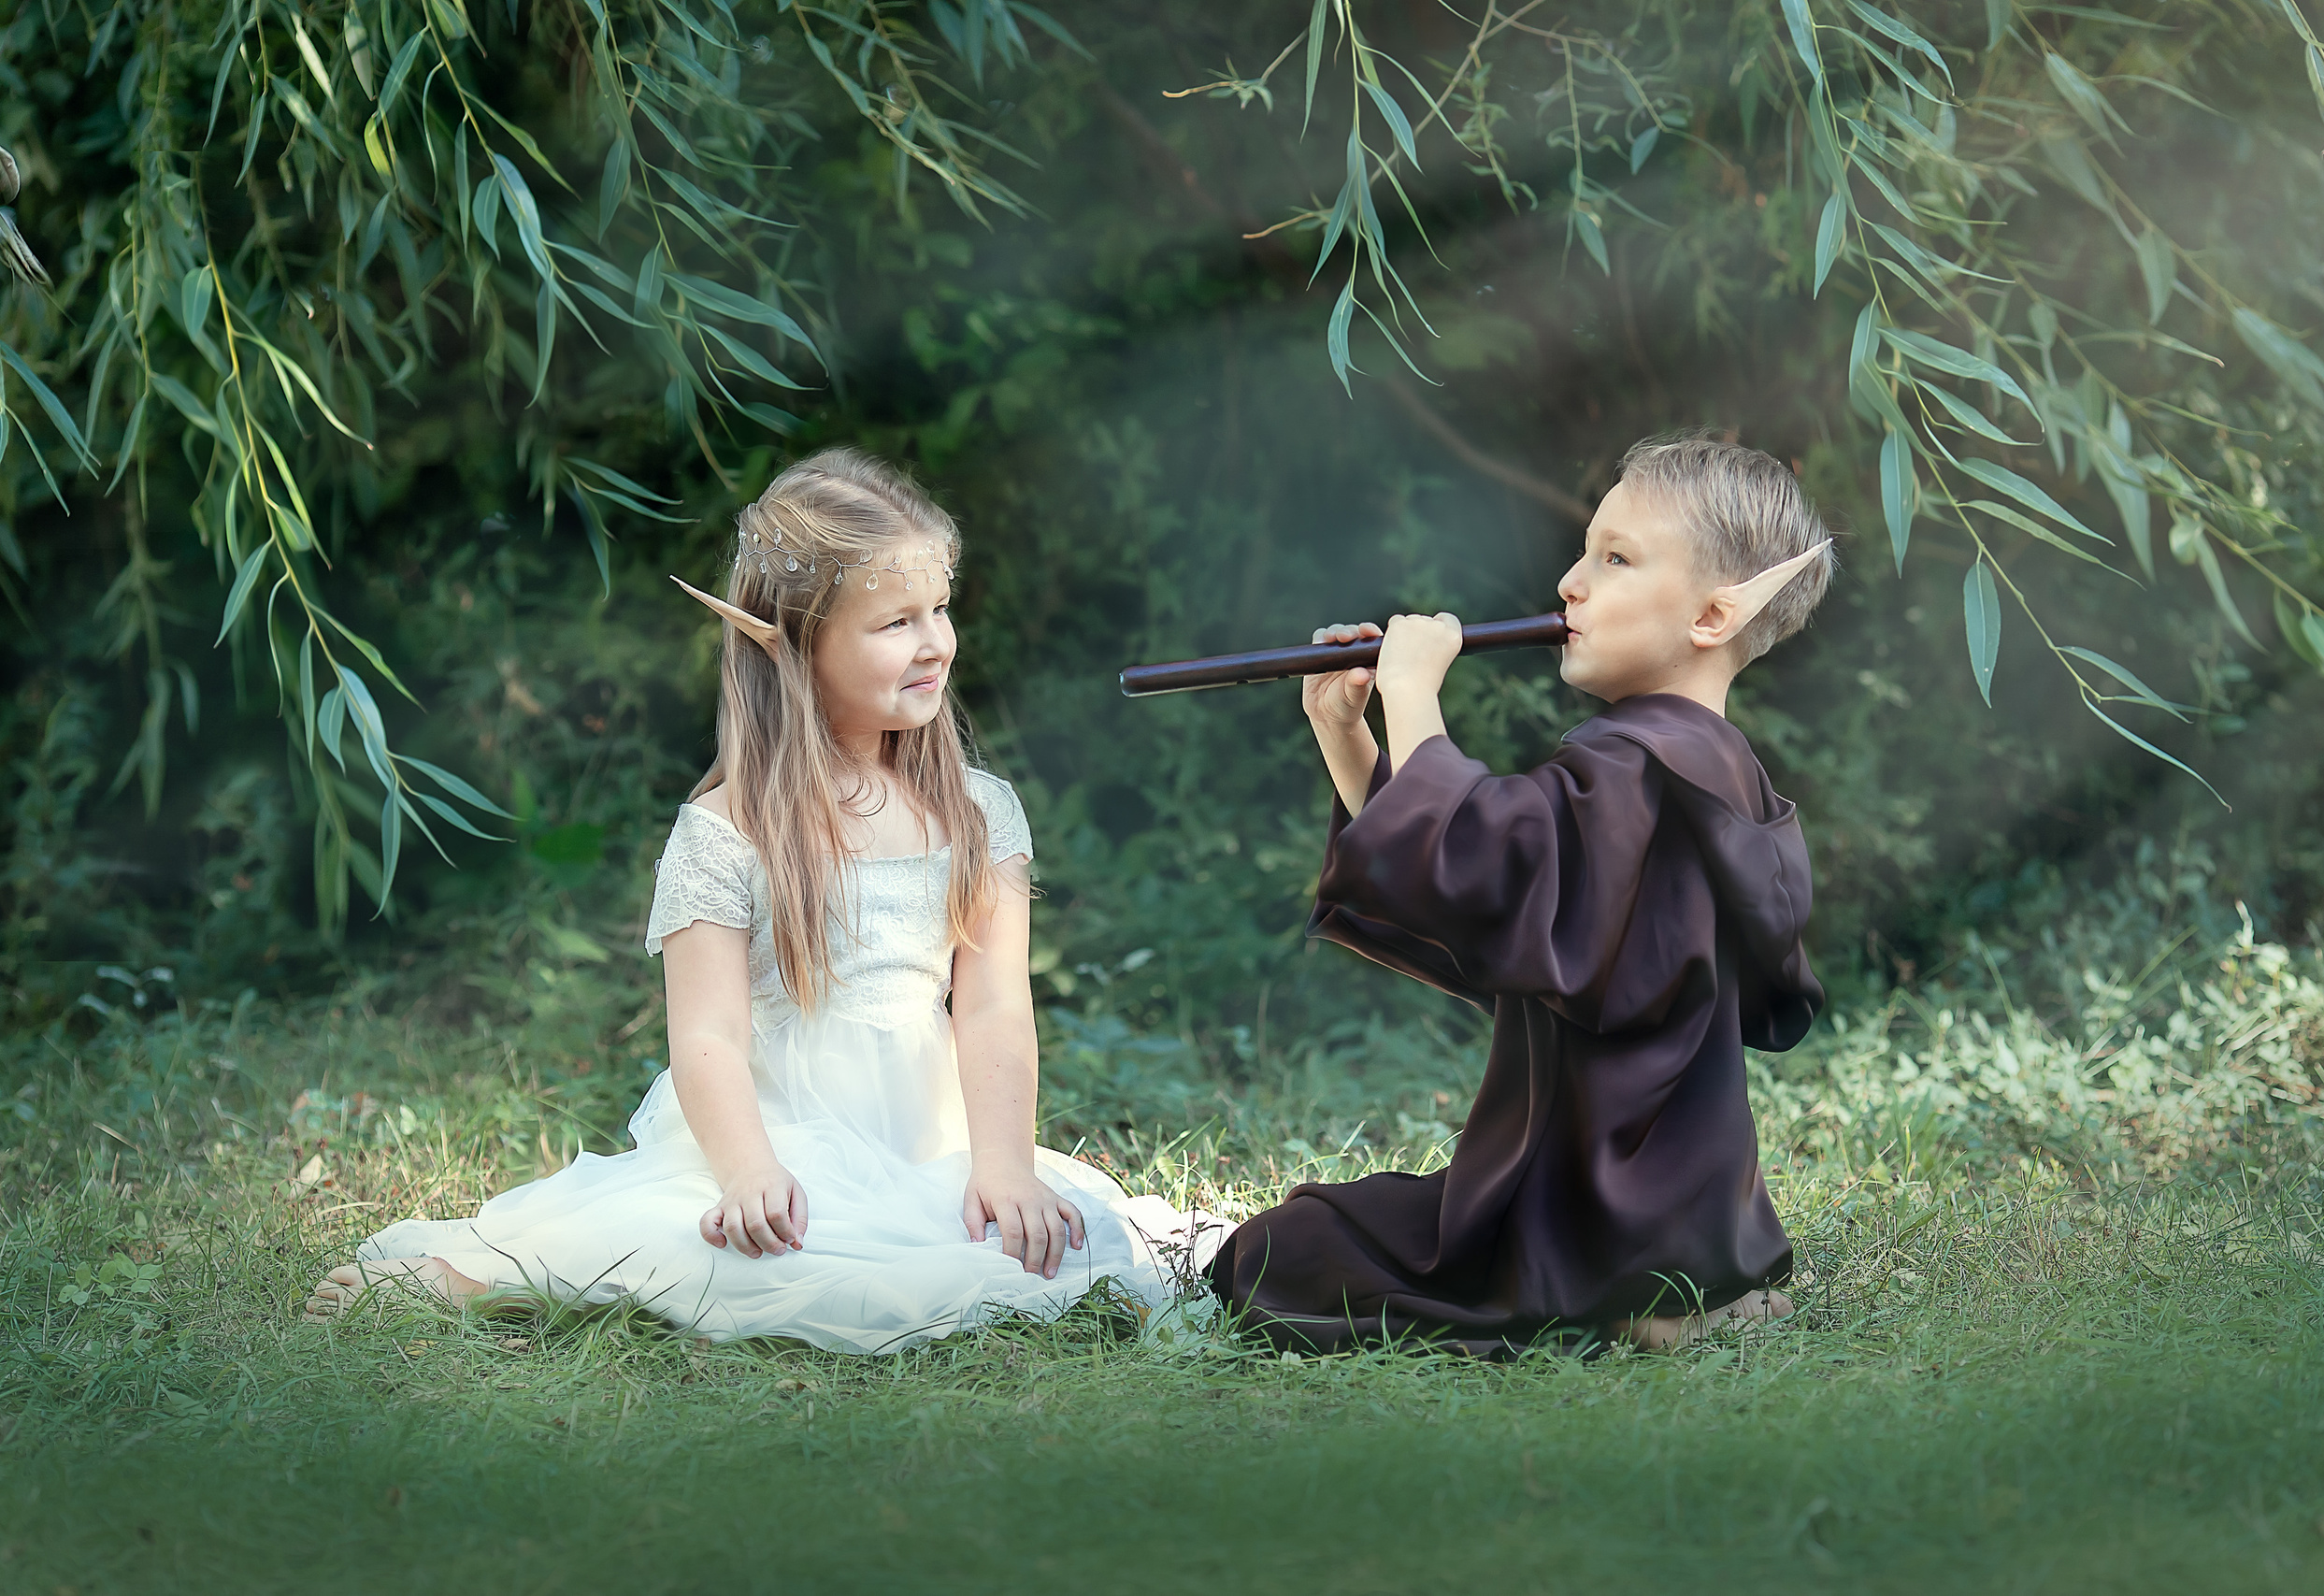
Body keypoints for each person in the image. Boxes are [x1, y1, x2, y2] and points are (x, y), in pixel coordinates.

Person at [311, 448, 1214, 1351]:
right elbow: (707, 1034)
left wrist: (1005, 1165)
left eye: (939, 609)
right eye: (896, 621)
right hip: (779, 1130)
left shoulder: (978, 812)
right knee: (746, 1249)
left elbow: (992, 1009)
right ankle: (456, 1278)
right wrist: (749, 1171)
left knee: (1053, 1245)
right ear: (796, 642)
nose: (935, 640)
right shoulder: (727, 830)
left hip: (929, 1142)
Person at [1208, 434, 1833, 1357]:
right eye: (1584, 552)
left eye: (1615, 559)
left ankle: (1630, 1306)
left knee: (1271, 1254)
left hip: (1592, 1210)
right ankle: (1686, 1294)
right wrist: (1347, 734)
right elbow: (1504, 909)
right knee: (1326, 1233)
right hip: (1673, 1206)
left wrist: (1413, 694)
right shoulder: (1704, 766)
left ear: (1713, 614)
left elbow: (1479, 865)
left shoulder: (1634, 764)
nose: (1572, 583)